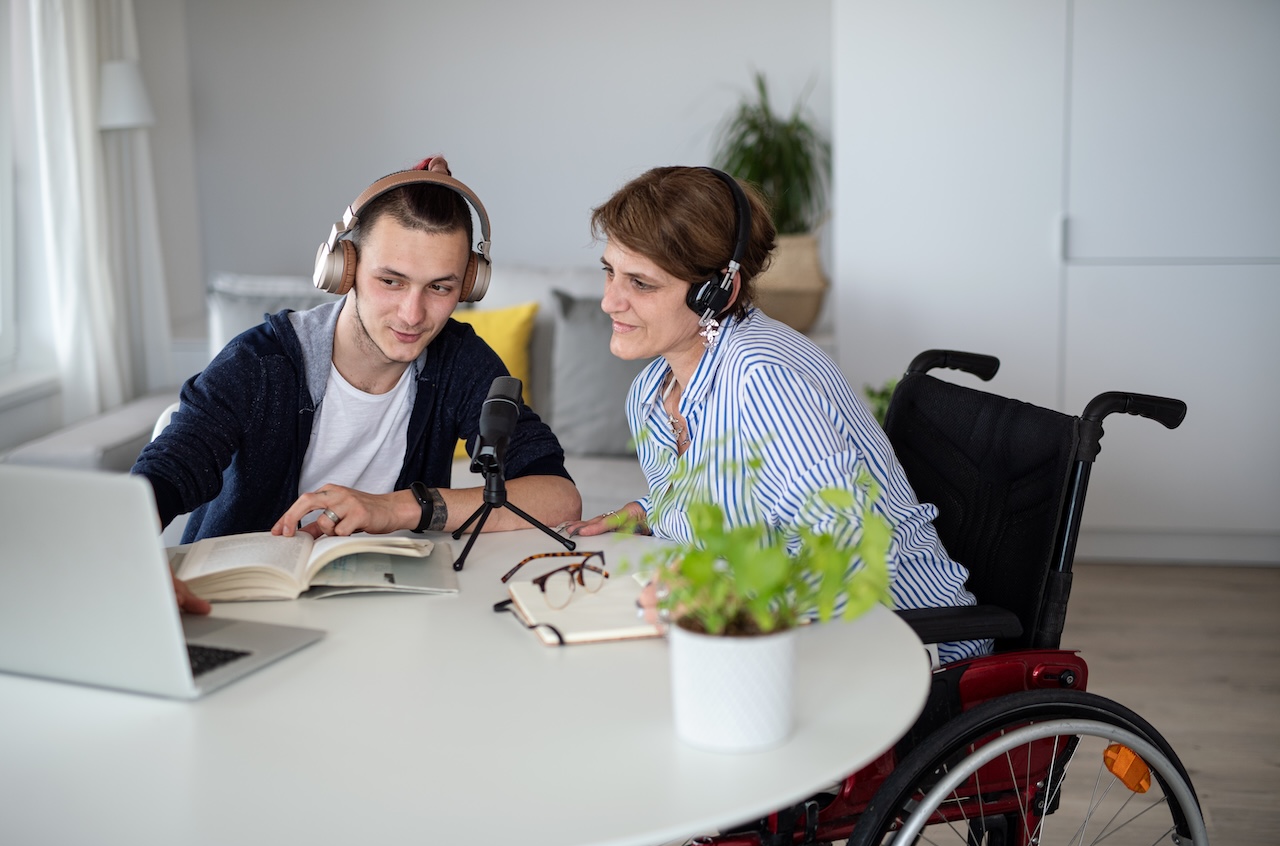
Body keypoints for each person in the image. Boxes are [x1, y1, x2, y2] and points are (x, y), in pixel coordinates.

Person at [560, 165, 990, 664]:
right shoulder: (652, 393)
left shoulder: (763, 379)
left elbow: (849, 551)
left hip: (899, 641)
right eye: (609, 271)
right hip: (791, 633)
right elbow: (738, 508)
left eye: (641, 283)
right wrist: (647, 513)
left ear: (718, 292)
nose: (609, 301)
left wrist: (723, 600)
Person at [134, 156, 581, 614]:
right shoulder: (261, 362)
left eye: (440, 288)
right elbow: (165, 472)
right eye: (391, 281)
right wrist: (133, 559)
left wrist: (398, 508)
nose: (413, 314)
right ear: (344, 269)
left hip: (386, 612)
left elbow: (558, 498)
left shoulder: (460, 362)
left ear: (468, 284)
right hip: (237, 607)